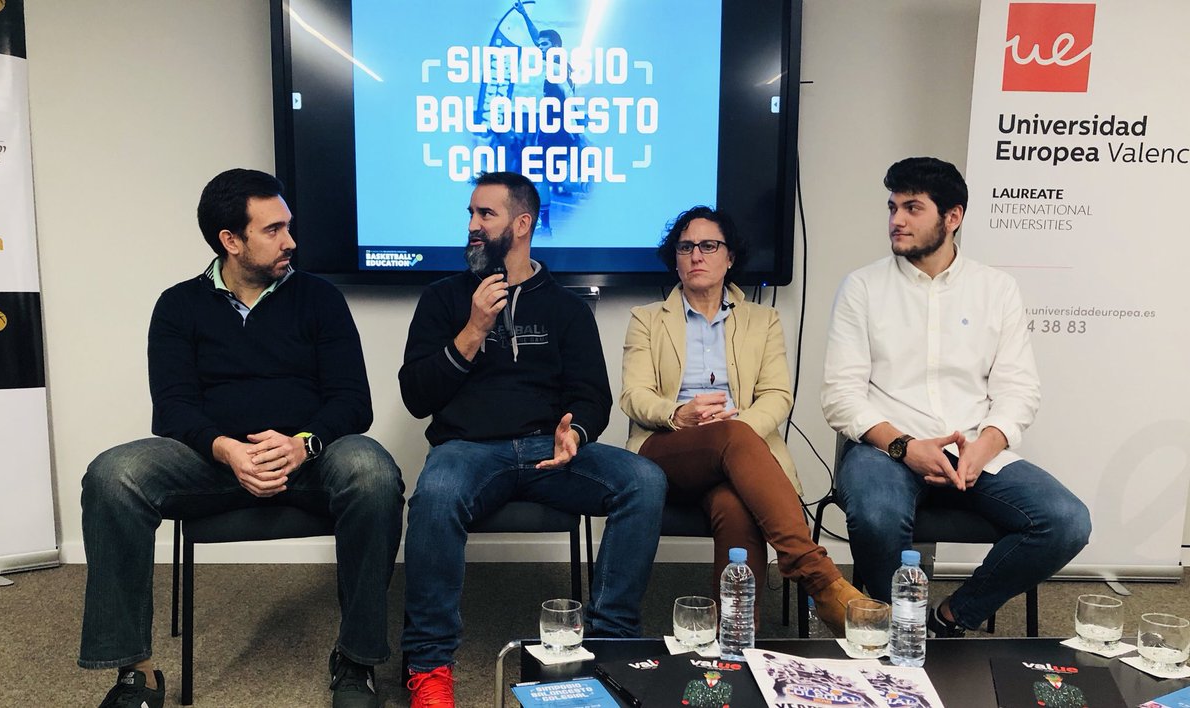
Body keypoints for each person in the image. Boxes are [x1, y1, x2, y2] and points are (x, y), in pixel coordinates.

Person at [79, 169, 404, 708]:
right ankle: (136, 672)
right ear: (230, 240)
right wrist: (227, 450)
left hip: (313, 460)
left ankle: (356, 660)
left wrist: (304, 443)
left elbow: (353, 402)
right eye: (273, 230)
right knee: (112, 475)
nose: (290, 241)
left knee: (373, 473)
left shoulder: (319, 299)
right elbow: (174, 408)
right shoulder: (178, 305)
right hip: (211, 461)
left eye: (289, 227)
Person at [398, 171, 666, 707]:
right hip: (467, 451)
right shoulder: (443, 299)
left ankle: (610, 642)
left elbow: (592, 396)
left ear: (522, 225)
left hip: (549, 448)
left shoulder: (566, 307)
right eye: (470, 214)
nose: (472, 227)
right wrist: (473, 329)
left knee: (644, 478)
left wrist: (578, 435)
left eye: (485, 215)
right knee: (434, 494)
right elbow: (415, 396)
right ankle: (429, 665)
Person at [821, 157, 1091, 637]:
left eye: (912, 208)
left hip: (973, 449)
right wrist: (906, 447)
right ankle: (897, 630)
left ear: (953, 217)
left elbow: (1019, 390)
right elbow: (840, 396)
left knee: (1066, 521)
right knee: (877, 513)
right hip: (887, 449)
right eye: (892, 207)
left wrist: (983, 448)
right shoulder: (862, 286)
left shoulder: (996, 289)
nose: (896, 220)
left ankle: (951, 618)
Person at [619, 206, 864, 636]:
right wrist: (677, 414)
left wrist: (736, 429)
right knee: (730, 435)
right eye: (686, 247)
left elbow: (776, 395)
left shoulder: (763, 321)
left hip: (738, 453)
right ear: (675, 259)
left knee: (735, 507)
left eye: (709, 246)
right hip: (667, 449)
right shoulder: (647, 320)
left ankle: (734, 641)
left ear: (729, 257)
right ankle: (817, 576)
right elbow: (634, 396)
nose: (696, 255)